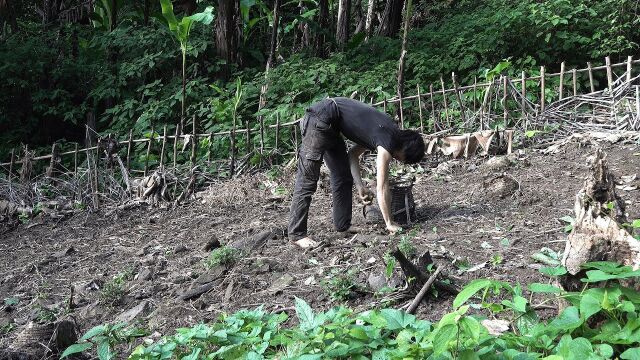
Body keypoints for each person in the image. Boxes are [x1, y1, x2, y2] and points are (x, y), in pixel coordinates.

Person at [288, 97, 426, 248]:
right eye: (404, 159)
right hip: (320, 118)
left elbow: (352, 155)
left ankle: (343, 226)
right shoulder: (387, 144)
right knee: (307, 178)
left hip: (331, 124)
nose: (399, 160)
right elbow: (382, 187)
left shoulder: (386, 131)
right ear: (405, 150)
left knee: (342, 175)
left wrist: (360, 186)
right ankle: (297, 234)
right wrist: (389, 222)